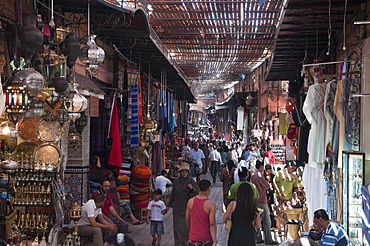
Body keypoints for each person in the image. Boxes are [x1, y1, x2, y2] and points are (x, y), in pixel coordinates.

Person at [166, 163, 200, 246]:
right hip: (177, 208)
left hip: (187, 208)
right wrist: (168, 206)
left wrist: (192, 188)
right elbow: (173, 195)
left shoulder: (191, 181)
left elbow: (198, 193)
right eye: (182, 171)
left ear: (188, 173)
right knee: (177, 229)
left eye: (185, 171)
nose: (184, 173)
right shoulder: (176, 182)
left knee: (186, 229)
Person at [250, 160, 278, 245]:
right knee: (266, 221)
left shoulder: (253, 175)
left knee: (258, 219)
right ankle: (268, 239)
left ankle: (258, 238)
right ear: (261, 166)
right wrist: (268, 182)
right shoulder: (259, 175)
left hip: (255, 200)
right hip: (261, 200)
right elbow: (266, 185)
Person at [186, 179, 217, 246]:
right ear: (209, 188)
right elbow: (212, 224)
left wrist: (191, 231)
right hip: (206, 239)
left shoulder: (190, 201)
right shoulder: (211, 204)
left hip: (193, 238)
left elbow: (187, 220)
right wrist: (214, 240)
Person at [272, 162, 299, 236]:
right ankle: (279, 229)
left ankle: (286, 231)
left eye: (294, 168)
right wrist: (279, 192)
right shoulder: (281, 173)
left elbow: (296, 187)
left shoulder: (294, 176)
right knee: (278, 213)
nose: (293, 169)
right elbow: (274, 182)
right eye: (292, 167)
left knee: (286, 215)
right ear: (288, 166)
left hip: (288, 198)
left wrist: (295, 192)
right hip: (279, 197)